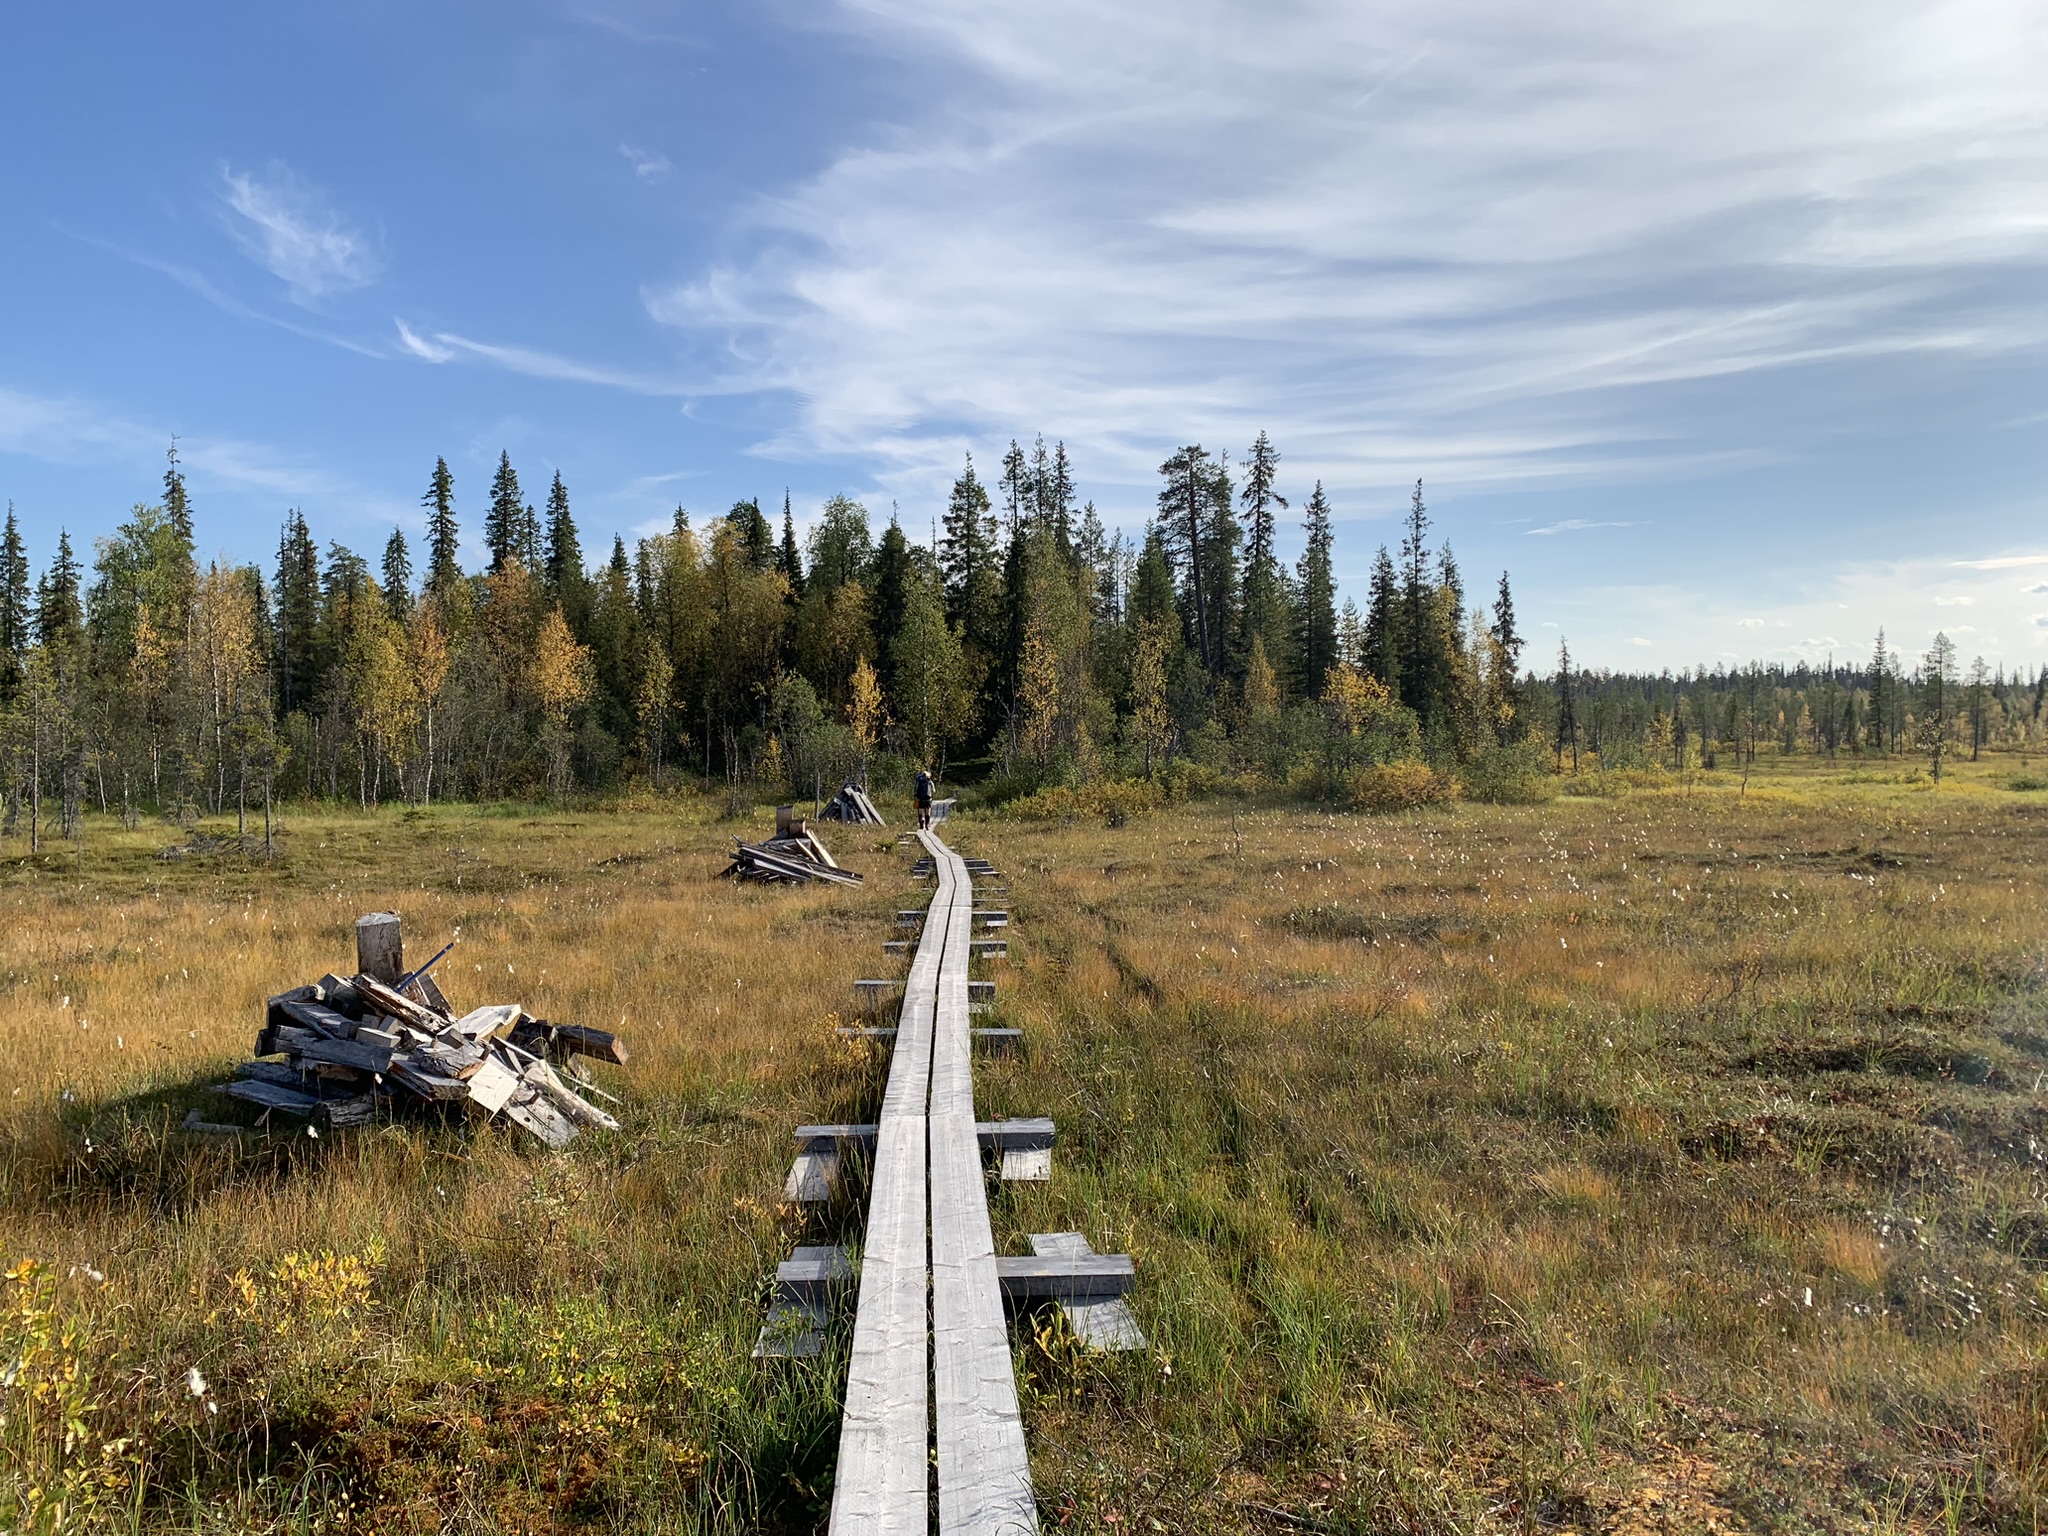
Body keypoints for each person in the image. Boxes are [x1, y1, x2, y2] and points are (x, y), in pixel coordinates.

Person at [914, 766, 934, 830]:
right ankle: (927, 824)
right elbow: (934, 790)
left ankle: (921, 821)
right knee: (928, 811)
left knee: (920, 811)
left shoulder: (919, 781)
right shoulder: (930, 782)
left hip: (919, 798)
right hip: (928, 799)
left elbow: (915, 790)